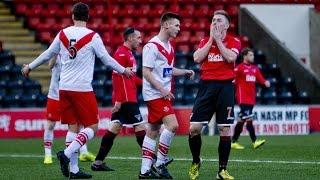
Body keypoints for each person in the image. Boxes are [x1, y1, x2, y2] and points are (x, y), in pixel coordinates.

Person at [21, 2, 133, 179]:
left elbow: (48, 54)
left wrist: (30, 66)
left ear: (72, 16)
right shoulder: (92, 36)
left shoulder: (63, 33)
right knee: (92, 127)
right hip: (81, 88)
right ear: (88, 17)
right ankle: (66, 154)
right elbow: (106, 59)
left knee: (73, 127)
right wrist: (124, 70)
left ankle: (73, 170)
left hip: (63, 88)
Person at [139, 12, 195, 179]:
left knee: (153, 131)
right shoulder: (152, 46)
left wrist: (184, 71)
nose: (179, 28)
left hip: (160, 94)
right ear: (165, 25)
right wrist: (162, 90)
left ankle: (144, 171)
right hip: (154, 94)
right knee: (173, 125)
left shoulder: (169, 47)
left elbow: (167, 71)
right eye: (176, 25)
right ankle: (161, 163)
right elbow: (146, 72)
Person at [188, 10, 241, 180]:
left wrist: (218, 41)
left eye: (218, 20)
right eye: (213, 20)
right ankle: (196, 161)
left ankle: (222, 170)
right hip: (206, 87)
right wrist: (212, 39)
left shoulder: (234, 41)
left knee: (224, 130)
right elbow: (197, 58)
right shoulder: (205, 40)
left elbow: (230, 58)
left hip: (225, 88)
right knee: (194, 129)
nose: (214, 23)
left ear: (226, 25)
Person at [91, 27, 146, 171]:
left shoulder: (129, 53)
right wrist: (119, 100)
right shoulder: (121, 53)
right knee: (140, 128)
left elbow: (132, 78)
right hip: (126, 99)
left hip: (127, 97)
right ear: (130, 38)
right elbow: (116, 77)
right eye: (138, 38)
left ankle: (97, 163)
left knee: (114, 129)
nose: (141, 41)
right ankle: (155, 161)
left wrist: (148, 83)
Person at [43, 56, 96, 165]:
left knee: (79, 123)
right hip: (55, 95)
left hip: (71, 93)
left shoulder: (75, 54)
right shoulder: (58, 53)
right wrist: (56, 53)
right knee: (50, 124)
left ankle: (83, 152)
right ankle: (48, 155)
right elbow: (50, 65)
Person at [231, 48, 270, 150]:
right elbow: (232, 79)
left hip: (251, 99)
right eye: (251, 55)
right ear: (245, 56)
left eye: (253, 55)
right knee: (249, 119)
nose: (253, 57)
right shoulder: (239, 68)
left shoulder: (255, 69)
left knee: (241, 120)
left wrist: (265, 82)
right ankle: (255, 141)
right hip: (242, 98)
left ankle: (233, 141)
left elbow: (261, 79)